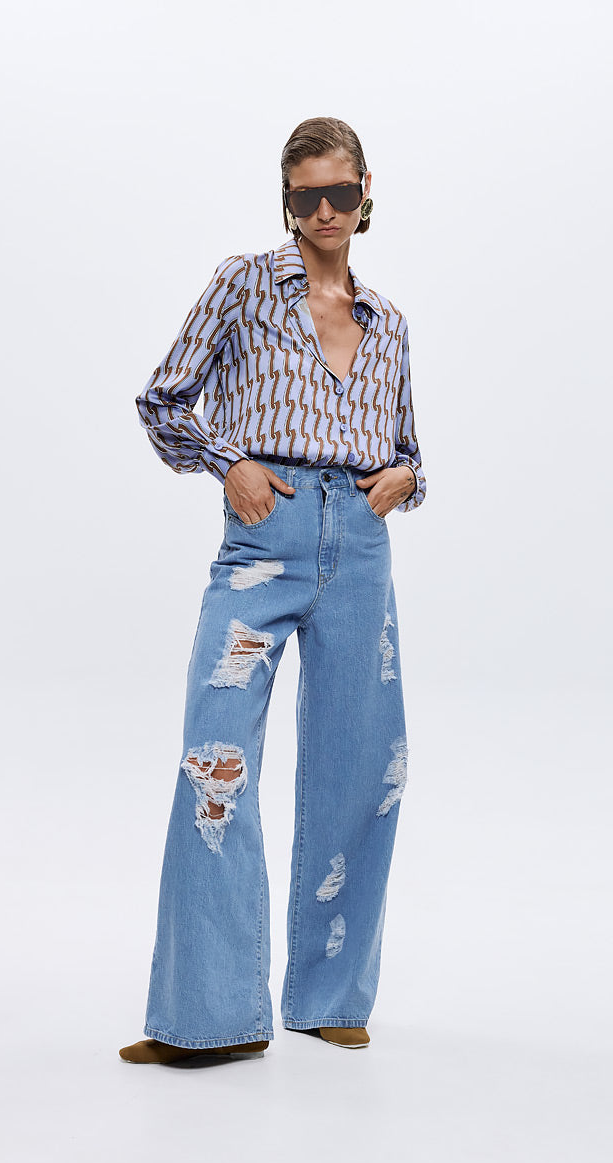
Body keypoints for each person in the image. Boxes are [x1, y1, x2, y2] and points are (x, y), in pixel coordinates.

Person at [120, 116, 427, 1065]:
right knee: (215, 755)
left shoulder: (389, 323)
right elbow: (164, 399)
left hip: (360, 547)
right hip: (266, 536)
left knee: (363, 767)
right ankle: (209, 1017)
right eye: (306, 197)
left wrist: (406, 479)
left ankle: (330, 996)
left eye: (340, 193)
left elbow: (408, 449)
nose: (324, 212)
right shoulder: (244, 284)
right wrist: (230, 465)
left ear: (366, 194)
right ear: (287, 202)